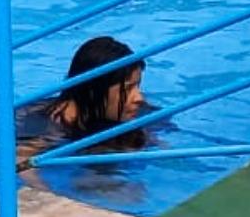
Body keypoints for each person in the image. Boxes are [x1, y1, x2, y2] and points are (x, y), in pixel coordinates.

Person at [10, 35, 151, 164]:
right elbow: (20, 165)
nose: (139, 98)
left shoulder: (135, 114)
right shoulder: (45, 128)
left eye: (137, 86)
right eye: (127, 89)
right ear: (94, 90)